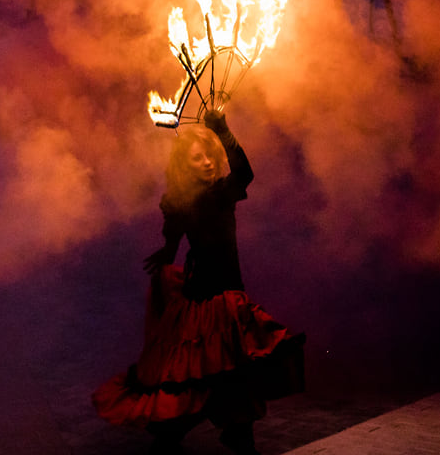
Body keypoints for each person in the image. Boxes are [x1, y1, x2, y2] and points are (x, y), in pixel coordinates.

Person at [92, 110, 305, 455]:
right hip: (202, 304)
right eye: (198, 158)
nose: (207, 163)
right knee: (192, 381)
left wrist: (223, 130)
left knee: (231, 378)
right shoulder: (180, 202)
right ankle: (175, 437)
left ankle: (235, 437)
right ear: (184, 165)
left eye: (210, 156)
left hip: (228, 301)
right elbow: (174, 236)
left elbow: (244, 173)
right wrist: (166, 253)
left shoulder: (222, 192)